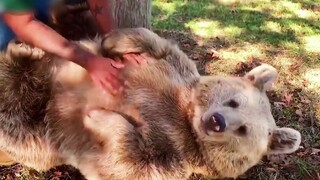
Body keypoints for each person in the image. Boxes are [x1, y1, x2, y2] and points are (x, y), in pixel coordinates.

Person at [0, 0, 132, 94]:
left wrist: (113, 42)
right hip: (15, 29)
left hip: (49, 18)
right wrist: (90, 61)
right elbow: (24, 25)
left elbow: (97, 3)